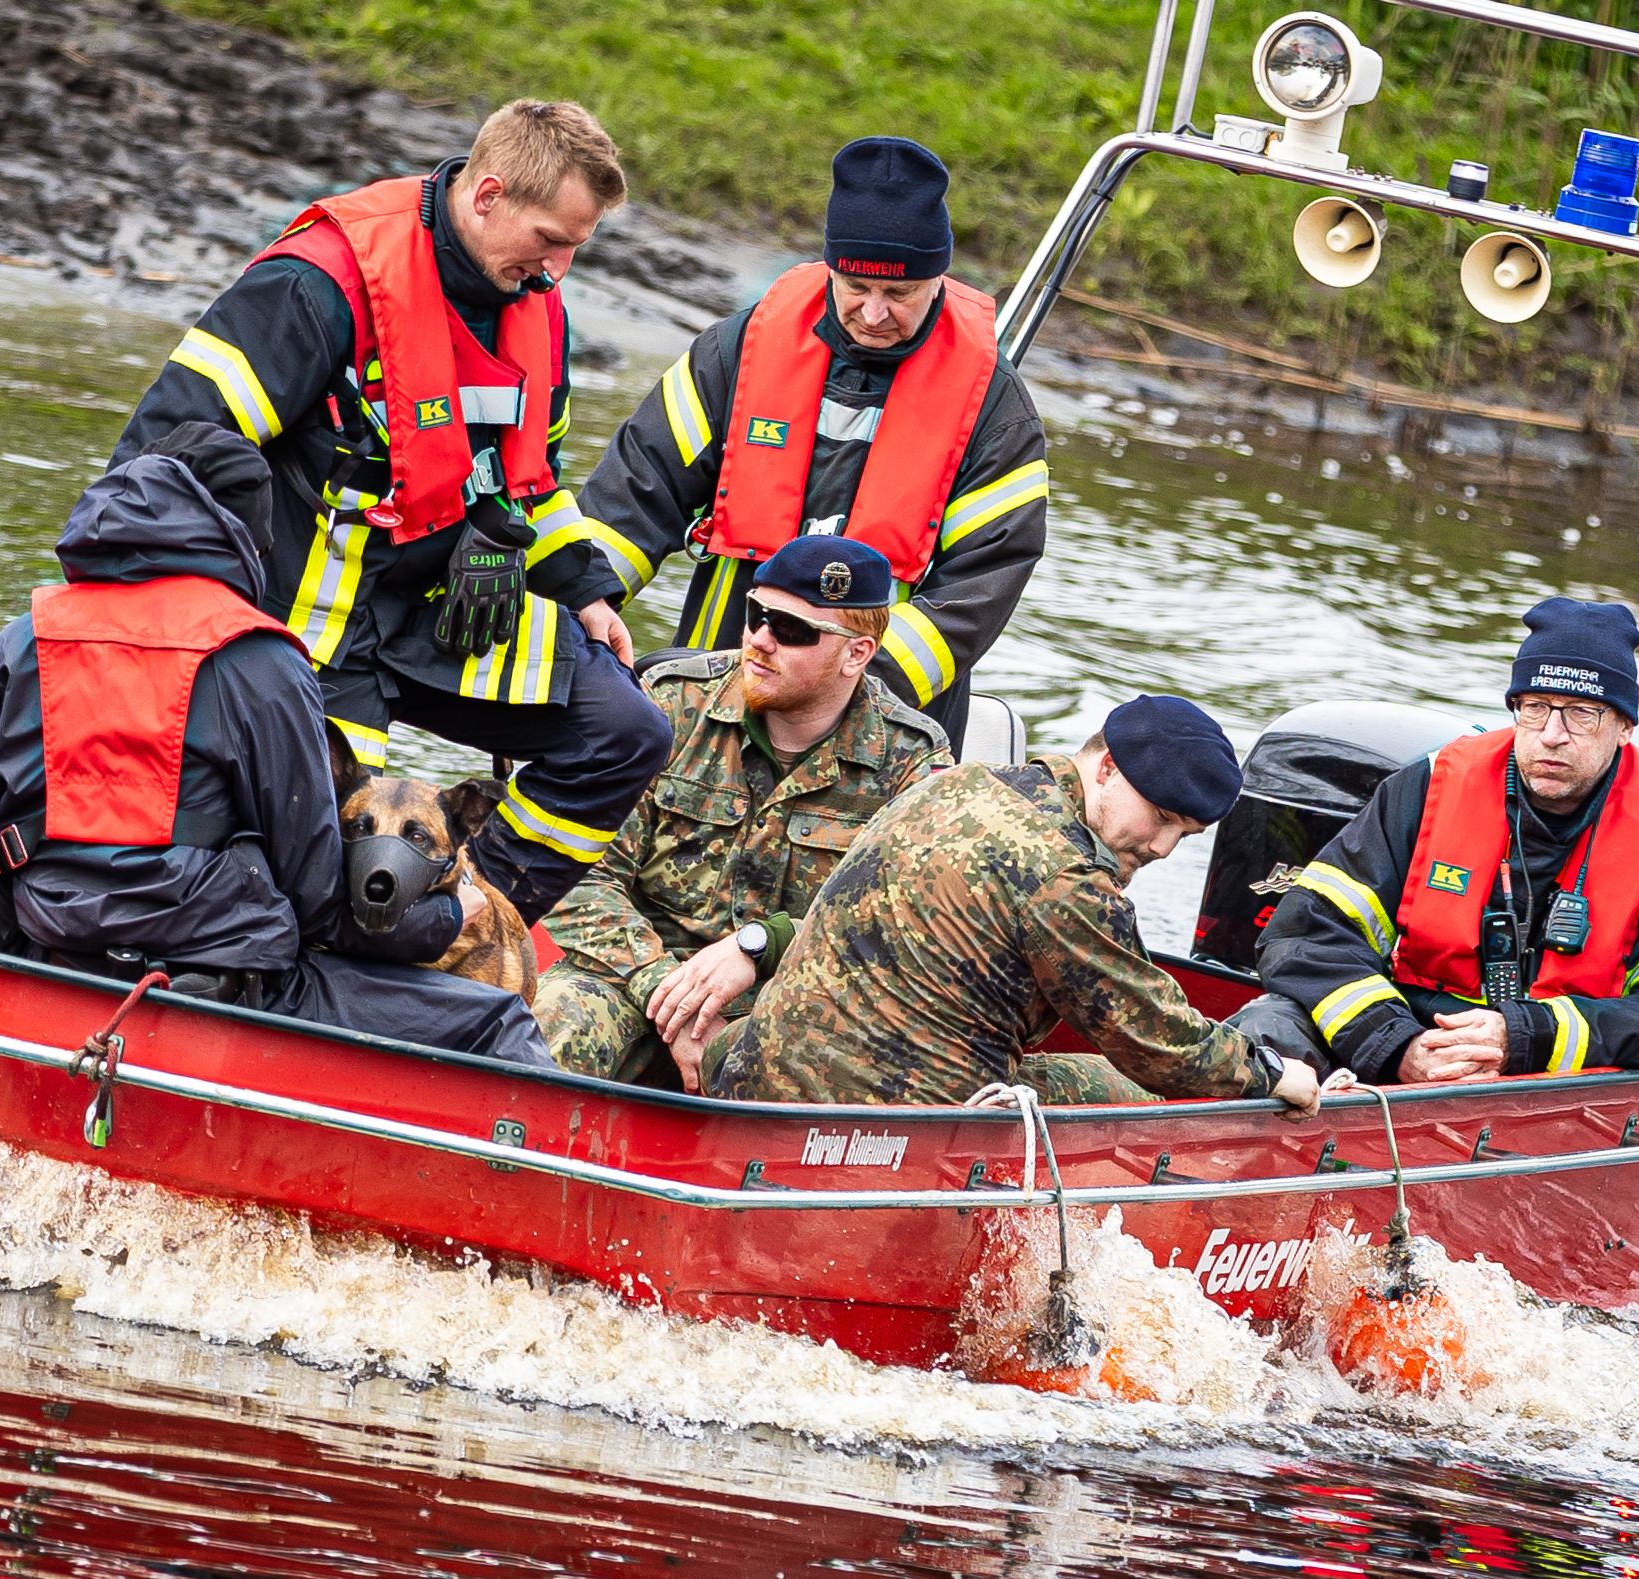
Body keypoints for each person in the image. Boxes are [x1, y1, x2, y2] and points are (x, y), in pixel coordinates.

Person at [109, 99, 671, 924]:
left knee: (626, 729)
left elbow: (534, 480)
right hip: (304, 637)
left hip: (443, 618)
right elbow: (159, 457)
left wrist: (583, 587)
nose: (561, 269)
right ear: (488, 196)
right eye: (552, 240)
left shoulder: (538, 303)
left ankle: (463, 918)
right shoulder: (317, 284)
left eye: (578, 246)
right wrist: (194, 626)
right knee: (323, 877)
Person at [0, 425, 548, 1066]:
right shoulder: (259, 660)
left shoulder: (27, 637)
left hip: (51, 969)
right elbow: (317, 897)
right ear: (244, 541)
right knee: (499, 1023)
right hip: (231, 997)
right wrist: (440, 915)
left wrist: (6, 948)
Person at [576, 136, 1047, 751]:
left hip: (881, 721)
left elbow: (980, 585)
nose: (874, 314)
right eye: (856, 287)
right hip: (724, 679)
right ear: (831, 268)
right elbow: (639, 490)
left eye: (899, 294)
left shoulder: (996, 410)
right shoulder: (738, 352)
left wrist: (843, 696)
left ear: (939, 278)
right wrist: (583, 602)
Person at [705, 695, 1321, 1116]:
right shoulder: (1068, 877)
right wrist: (1273, 1074)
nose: (1161, 848)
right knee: (1120, 1087)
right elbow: (1158, 1042)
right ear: (1107, 768)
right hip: (901, 1122)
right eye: (1160, 819)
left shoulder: (951, 783)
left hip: (751, 1076)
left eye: (1184, 836)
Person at [1243, 597, 1639, 1082]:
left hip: (1555, 1071)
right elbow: (1305, 936)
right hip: (1408, 1035)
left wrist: (1521, 1037)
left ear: (1624, 726)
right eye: (1535, 708)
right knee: (1265, 1027)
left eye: (1582, 714)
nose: (1552, 734)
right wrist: (1397, 1046)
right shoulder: (1430, 788)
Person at [536, 538, 951, 1090]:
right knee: (552, 1027)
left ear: (857, 653)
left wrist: (763, 945)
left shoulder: (911, 763)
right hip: (636, 974)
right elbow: (576, 869)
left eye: (793, 630)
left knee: (818, 1081)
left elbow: (908, 927)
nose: (760, 641)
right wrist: (667, 993)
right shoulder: (669, 705)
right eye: (755, 615)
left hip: (794, 1006)